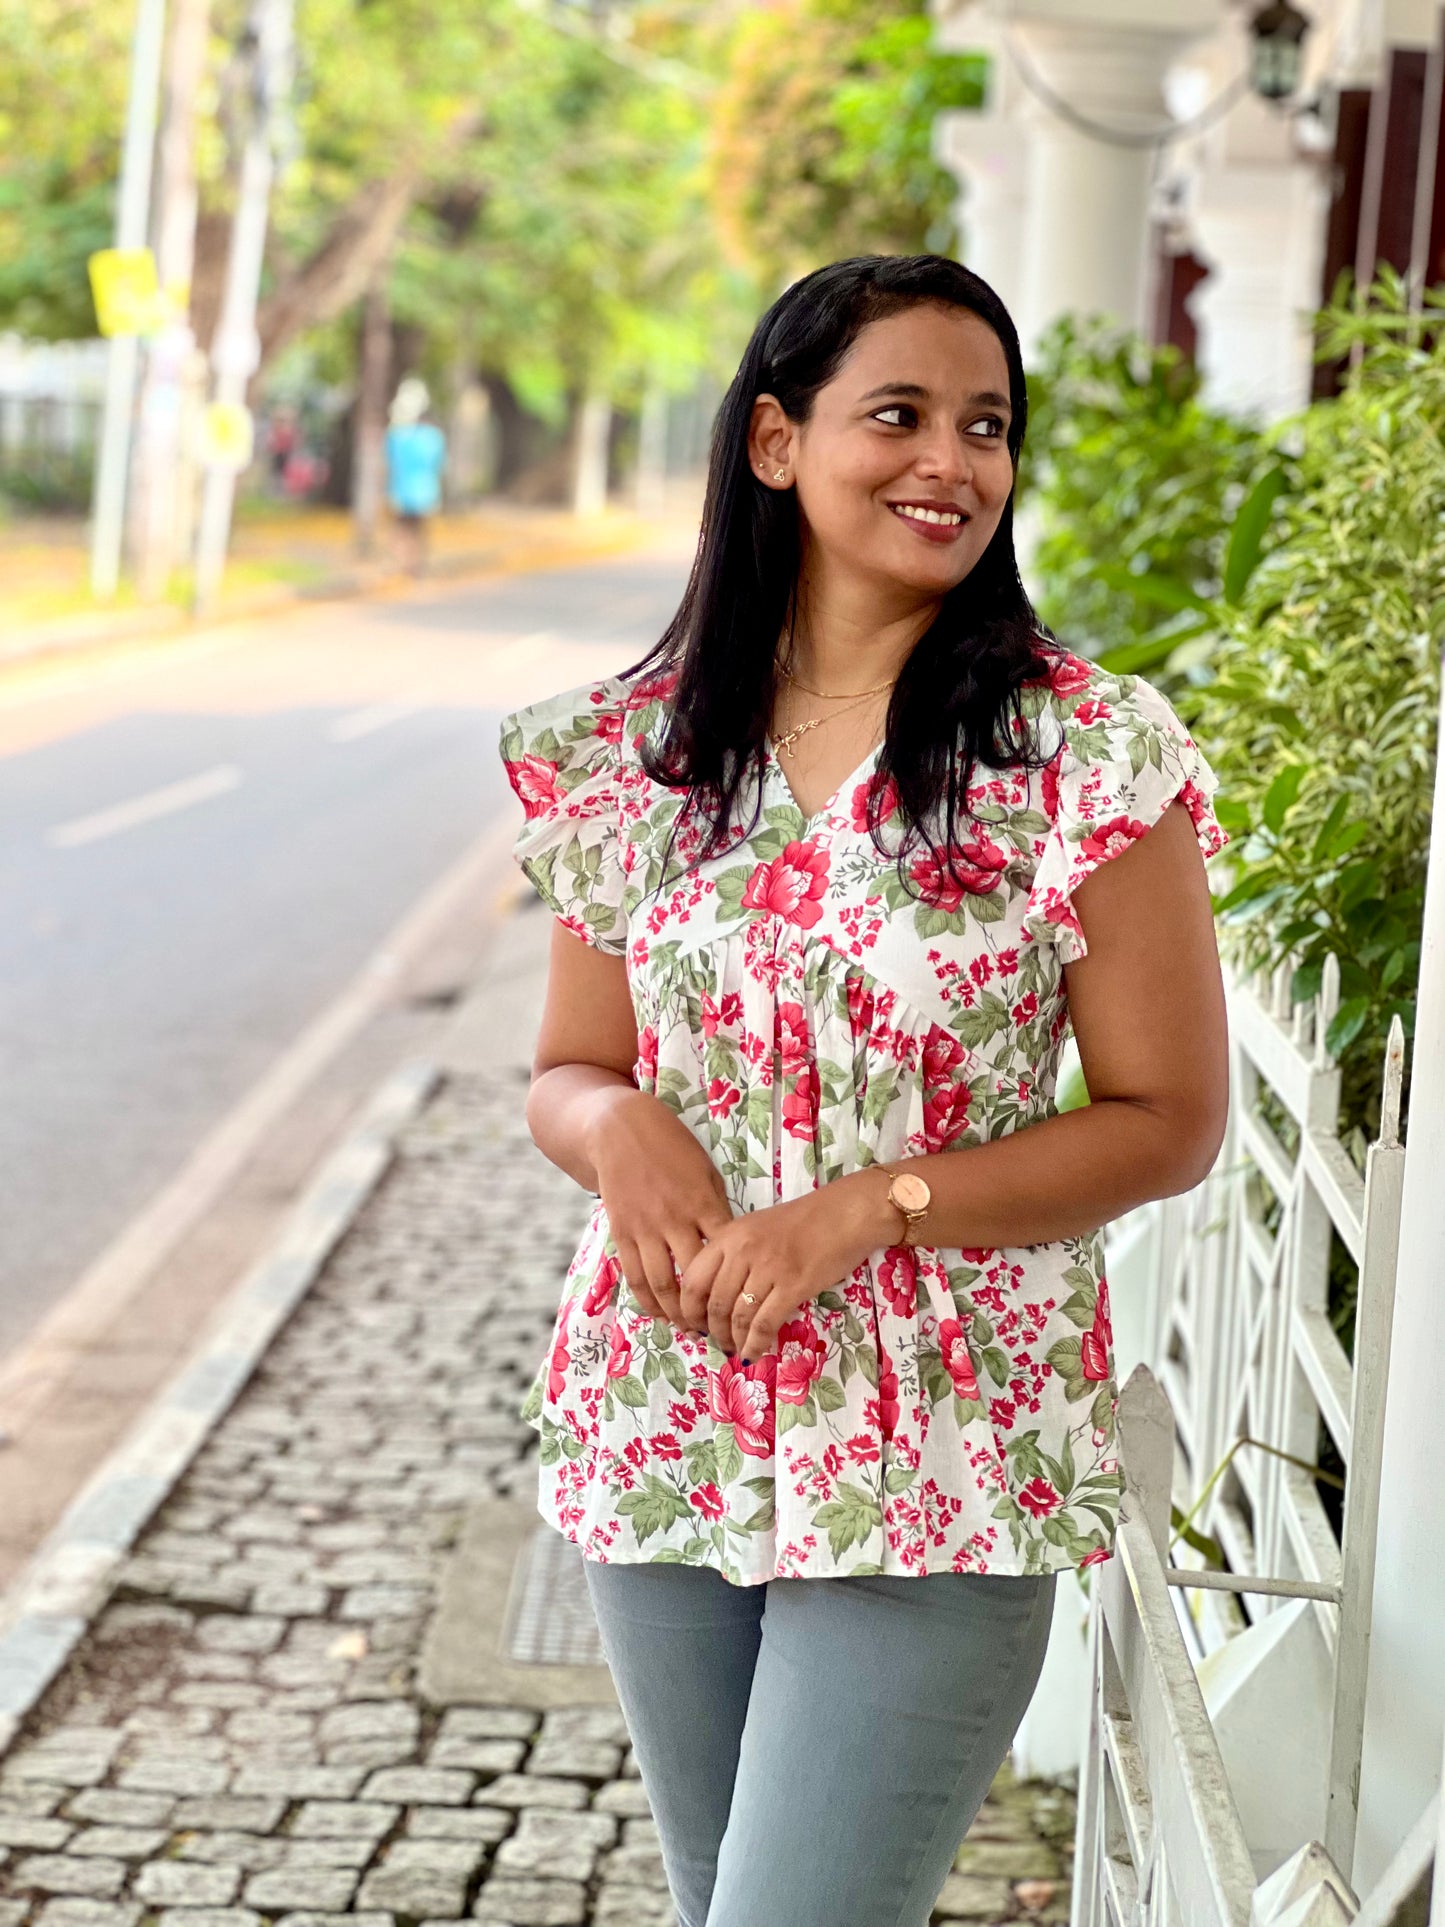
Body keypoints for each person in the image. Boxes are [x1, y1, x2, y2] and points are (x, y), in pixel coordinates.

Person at [498, 253, 1229, 1927]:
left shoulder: (1084, 754)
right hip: (670, 1424)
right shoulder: (643, 755)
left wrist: (874, 1206)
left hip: (949, 1454)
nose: (950, 462)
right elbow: (568, 1067)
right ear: (776, 442)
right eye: (897, 414)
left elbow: (1167, 1118)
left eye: (988, 426)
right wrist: (618, 1128)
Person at [384, 376, 446, 574]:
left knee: (402, 527)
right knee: (418, 529)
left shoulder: (396, 435)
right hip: (425, 491)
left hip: (402, 489)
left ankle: (403, 561)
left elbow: (389, 463)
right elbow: (439, 464)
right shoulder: (433, 437)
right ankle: (416, 563)